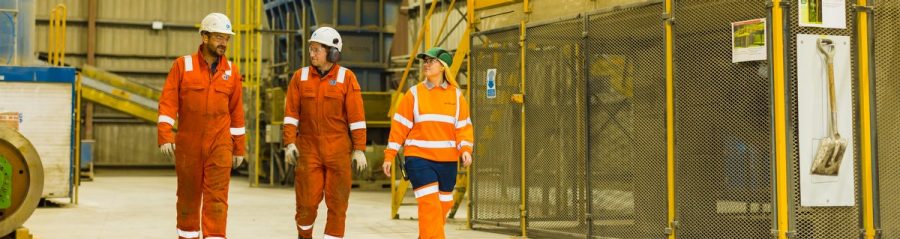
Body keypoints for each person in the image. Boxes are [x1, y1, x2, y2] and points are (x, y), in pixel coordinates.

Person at [157, 12, 245, 239]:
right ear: (204, 37)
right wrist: (165, 135)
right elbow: (168, 103)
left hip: (220, 145)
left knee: (218, 199)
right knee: (188, 198)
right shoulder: (182, 66)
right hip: (189, 145)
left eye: (227, 38)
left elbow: (236, 112)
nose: (224, 43)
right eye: (218, 37)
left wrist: (239, 147)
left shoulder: (232, 71)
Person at [282, 26, 368, 239]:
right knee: (306, 203)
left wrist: (359, 150)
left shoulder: (346, 78)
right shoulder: (300, 77)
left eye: (317, 50)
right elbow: (291, 114)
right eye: (310, 49)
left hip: (338, 149)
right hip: (308, 149)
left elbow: (356, 119)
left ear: (332, 52)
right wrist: (289, 143)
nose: (311, 54)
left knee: (338, 202)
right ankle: (304, 235)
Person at [381, 47, 474, 239]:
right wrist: (389, 155)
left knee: (441, 207)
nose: (426, 64)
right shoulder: (414, 94)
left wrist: (465, 149)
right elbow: (399, 127)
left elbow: (463, 127)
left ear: (443, 66)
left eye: (431, 61)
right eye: (425, 61)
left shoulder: (456, 96)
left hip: (447, 161)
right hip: (419, 159)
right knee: (430, 206)